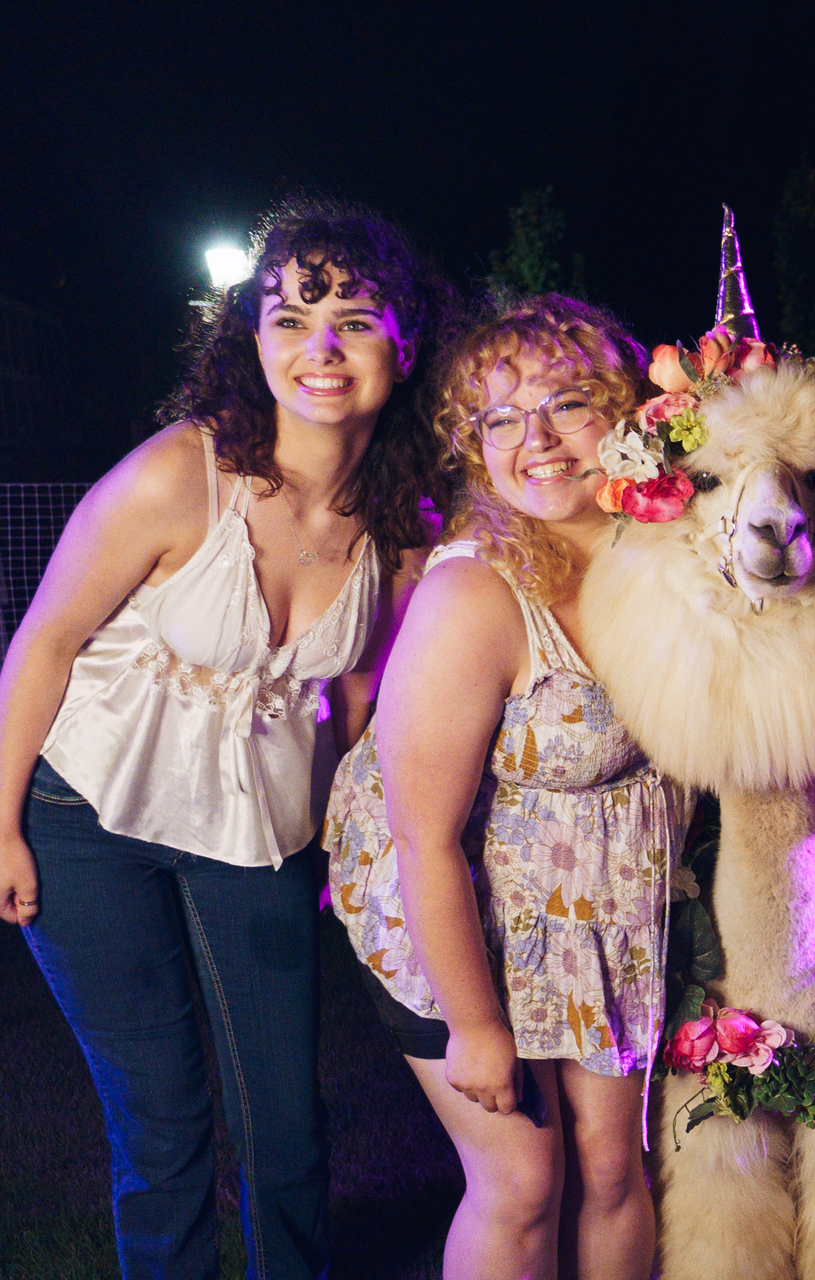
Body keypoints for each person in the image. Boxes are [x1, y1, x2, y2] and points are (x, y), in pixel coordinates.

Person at [0, 198, 452, 1278]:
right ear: (250, 339)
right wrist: (1, 825)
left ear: (407, 337)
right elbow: (43, 643)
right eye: (289, 317)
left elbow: (355, 702)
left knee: (286, 1121)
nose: (321, 347)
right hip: (80, 812)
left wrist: (346, 842)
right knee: (161, 1123)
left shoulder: (402, 526)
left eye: (353, 313)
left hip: (260, 822)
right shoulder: (178, 473)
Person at [324, 295, 685, 1280]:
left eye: (569, 403)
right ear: (473, 443)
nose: (537, 439)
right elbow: (421, 838)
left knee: (613, 1168)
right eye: (500, 417)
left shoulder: (665, 559)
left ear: (624, 416)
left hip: (599, 914)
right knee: (524, 1178)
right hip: (452, 917)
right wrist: (477, 1027)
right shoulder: (471, 594)